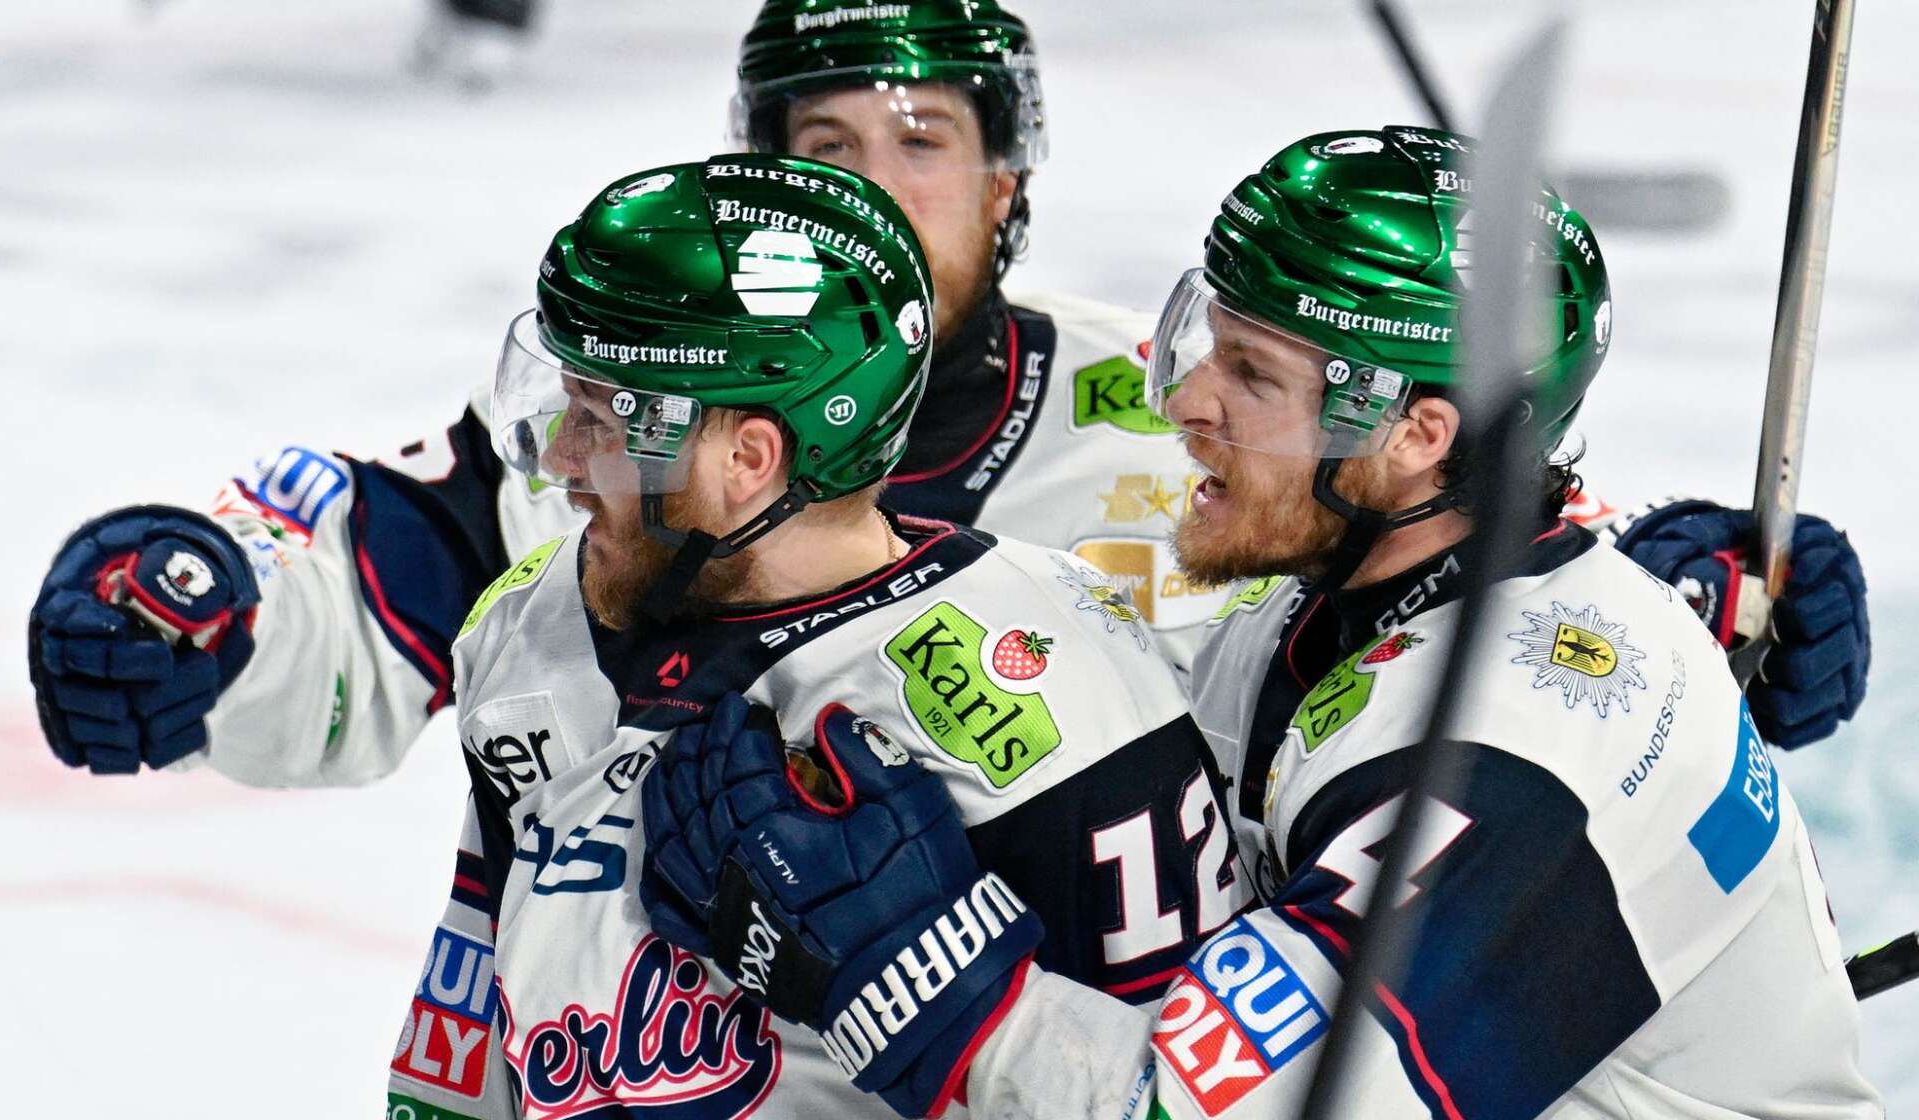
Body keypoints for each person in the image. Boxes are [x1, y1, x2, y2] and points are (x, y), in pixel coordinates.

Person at [24, 0, 1866, 794]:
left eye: (925, 140)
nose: (877, 182)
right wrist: (211, 606)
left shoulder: (1181, 423)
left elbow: (1426, 595)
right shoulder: (639, 429)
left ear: (1008, 182)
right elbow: (376, 578)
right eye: (822, 143)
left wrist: (1690, 611)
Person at [635, 128, 1883, 1119]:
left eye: (1253, 376)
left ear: (1417, 435)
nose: (1183, 400)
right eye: (1203, 340)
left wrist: (903, 974)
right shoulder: (1344, 600)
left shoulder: (1516, 768)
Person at [387, 153, 1247, 1119]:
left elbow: (1174, 1096)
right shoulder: (529, 623)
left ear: (749, 458)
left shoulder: (1057, 688)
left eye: (599, 414)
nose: (557, 457)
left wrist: (939, 990)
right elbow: (473, 1018)